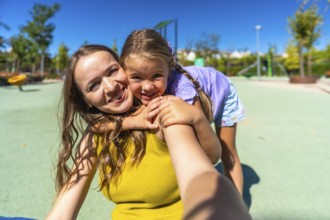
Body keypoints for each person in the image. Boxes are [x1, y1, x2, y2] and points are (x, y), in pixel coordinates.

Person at [46, 45, 226, 219]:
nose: (110, 86)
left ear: (125, 67)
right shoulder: (95, 134)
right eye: (94, 85)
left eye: (112, 71)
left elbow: (197, 173)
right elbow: (64, 207)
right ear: (86, 101)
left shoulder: (160, 112)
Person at [116, 28, 246, 195]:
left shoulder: (182, 91)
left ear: (168, 70)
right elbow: (98, 124)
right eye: (136, 77)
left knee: (228, 153)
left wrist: (196, 118)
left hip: (223, 92)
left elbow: (210, 154)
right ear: (123, 71)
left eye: (156, 75)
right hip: (204, 88)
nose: (147, 87)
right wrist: (131, 121)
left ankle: (238, 206)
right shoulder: (122, 90)